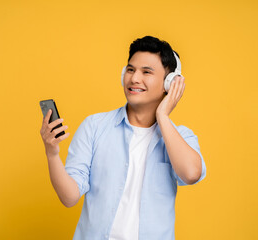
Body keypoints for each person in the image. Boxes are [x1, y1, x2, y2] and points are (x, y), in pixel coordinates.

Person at [40, 35, 207, 240]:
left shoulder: (180, 137)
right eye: (130, 70)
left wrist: (162, 116)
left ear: (169, 83)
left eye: (146, 72)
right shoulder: (94, 126)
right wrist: (52, 153)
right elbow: (69, 197)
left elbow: (191, 173)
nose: (134, 78)